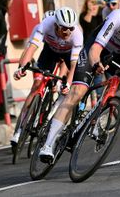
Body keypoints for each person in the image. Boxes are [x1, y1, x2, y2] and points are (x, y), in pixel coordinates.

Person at [38, 0, 120, 162]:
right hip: (95, 50)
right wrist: (96, 63)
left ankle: (103, 112)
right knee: (77, 92)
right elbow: (95, 49)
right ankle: (48, 145)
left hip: (118, 55)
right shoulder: (118, 16)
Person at [11, 7, 83, 144]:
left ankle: (58, 109)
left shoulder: (77, 35)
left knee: (73, 83)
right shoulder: (45, 24)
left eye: (70, 28)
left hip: (67, 54)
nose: (68, 32)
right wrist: (21, 68)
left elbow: (73, 66)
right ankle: (20, 129)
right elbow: (31, 48)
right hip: (49, 51)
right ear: (56, 25)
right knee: (36, 85)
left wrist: (66, 83)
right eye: (64, 28)